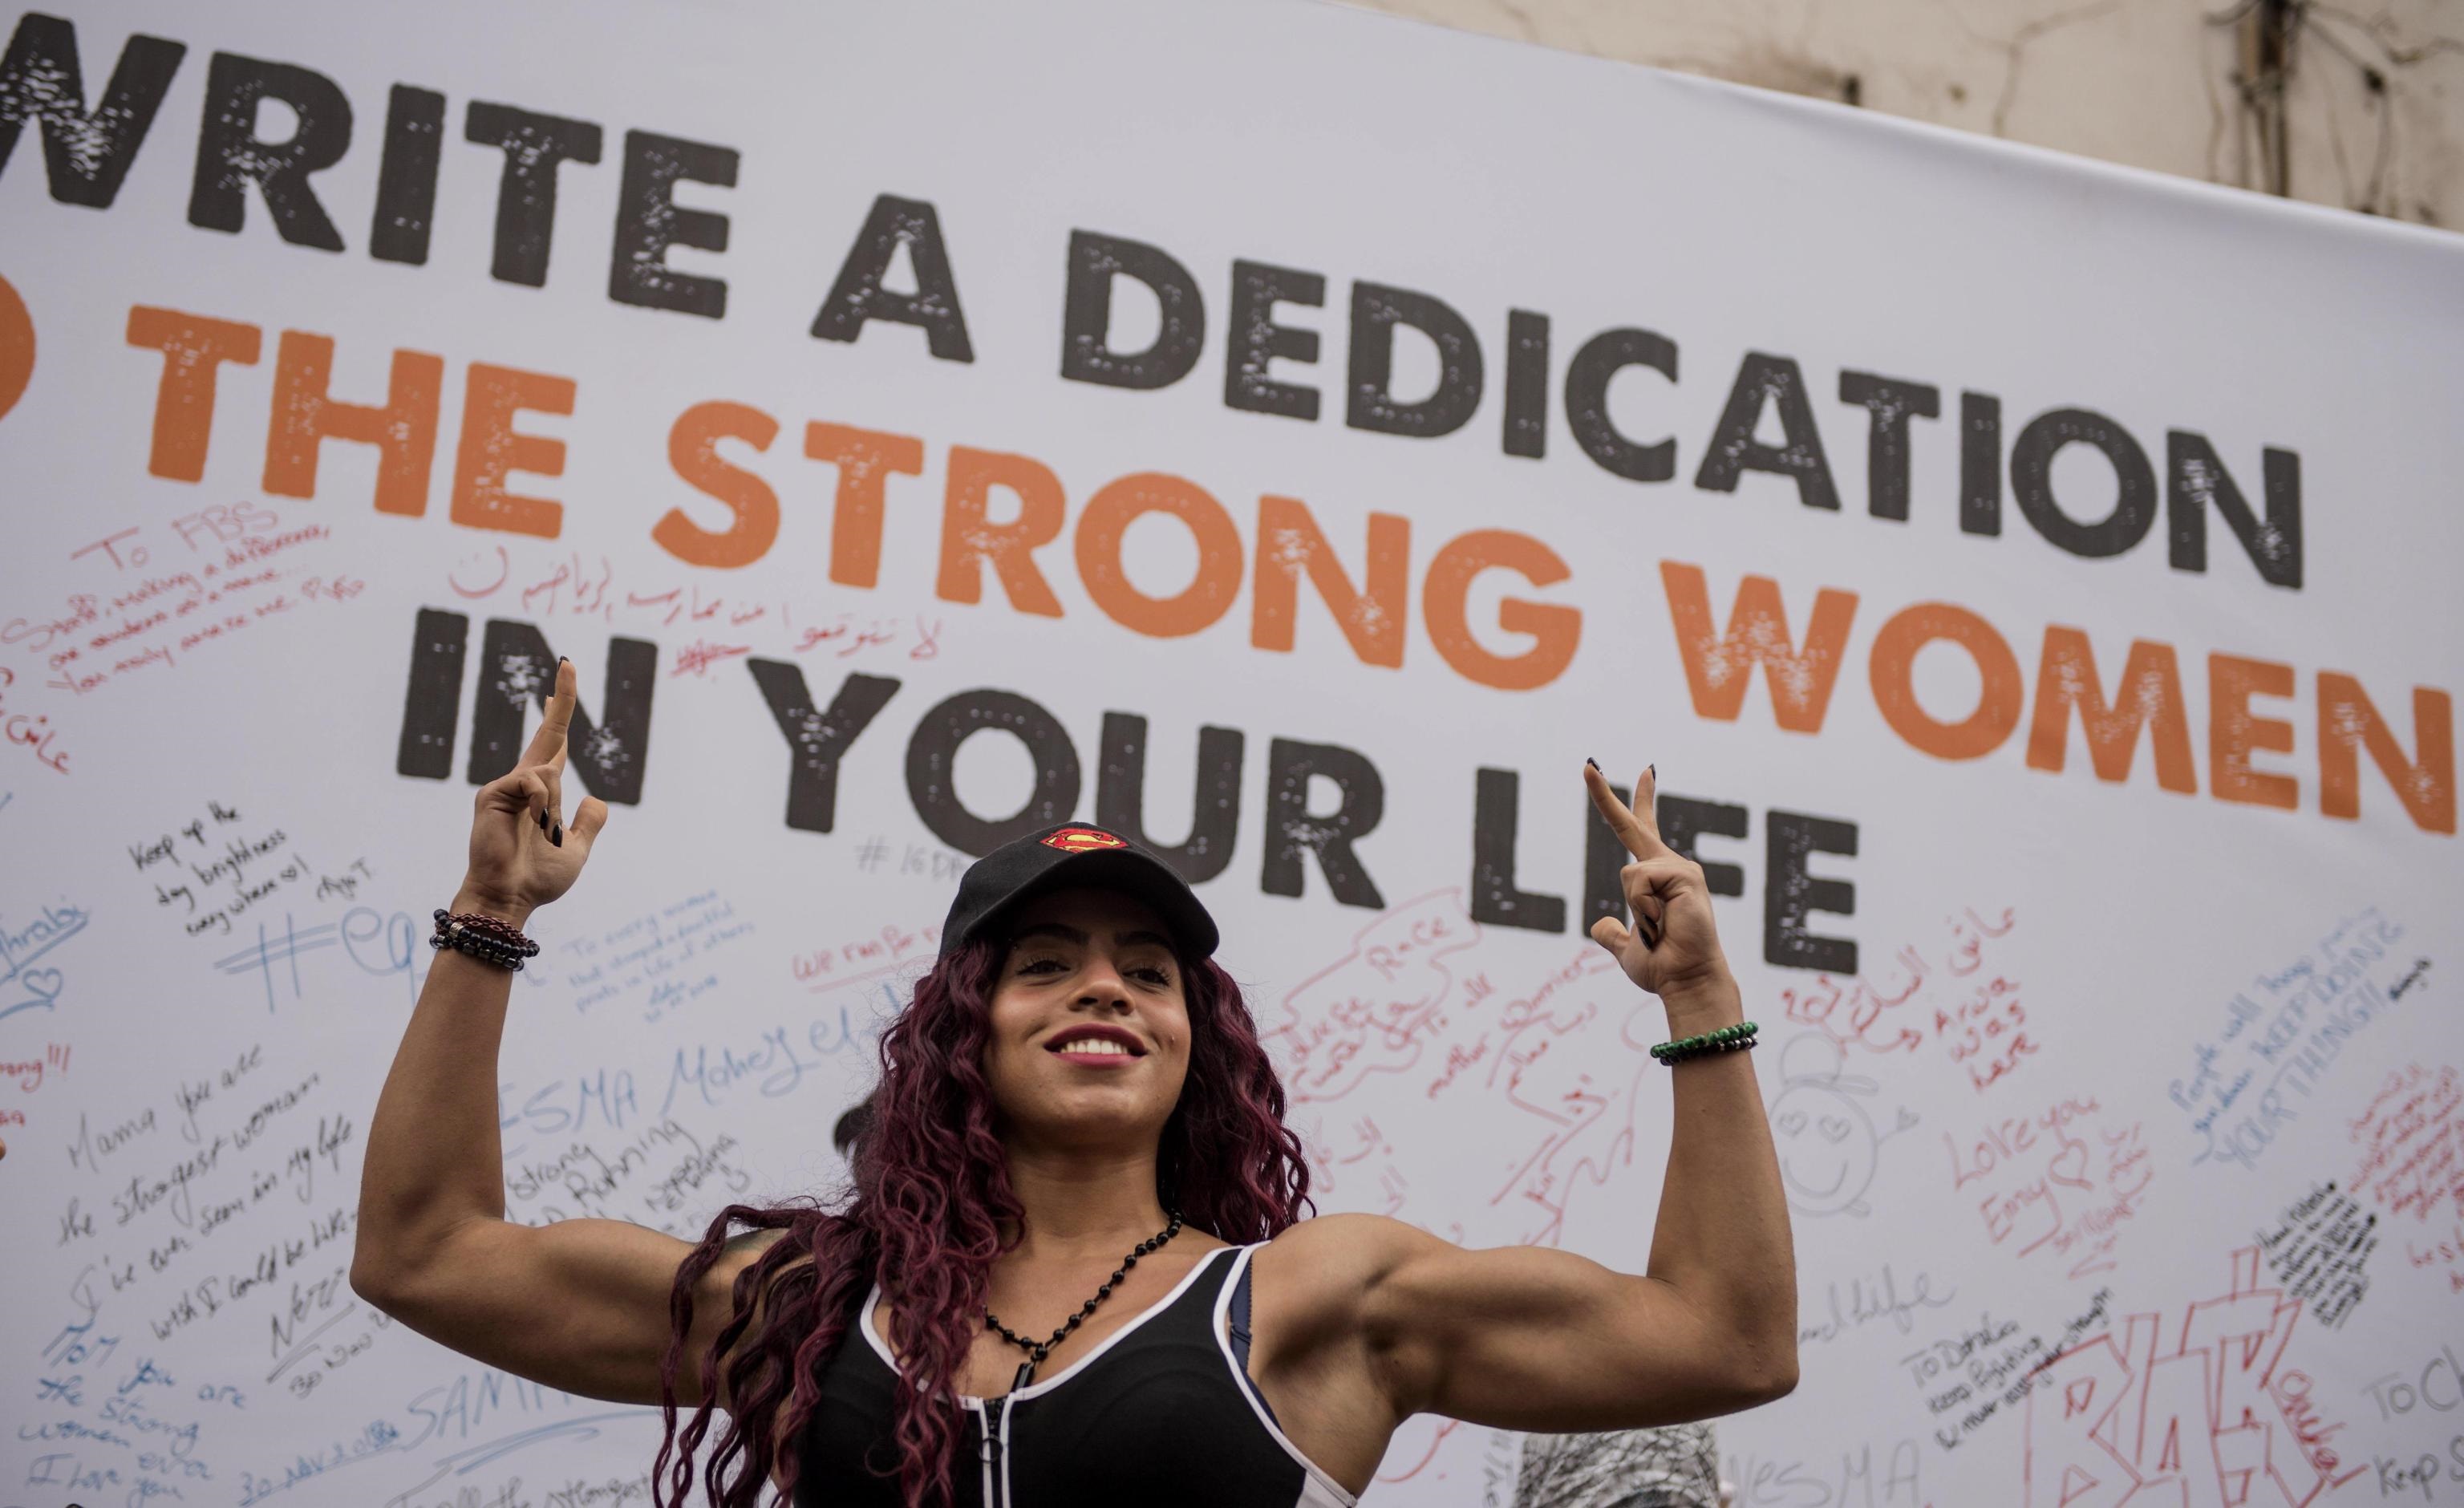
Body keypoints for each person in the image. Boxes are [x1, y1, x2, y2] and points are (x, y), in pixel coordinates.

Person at [352, 661, 1797, 1507]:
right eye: (1045, 963)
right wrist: (493, 919)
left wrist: (1701, 1005)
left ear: (1196, 1047)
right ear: (962, 1034)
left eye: (1149, 972)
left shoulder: (1311, 1308)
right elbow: (427, 1256)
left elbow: (1723, 1342)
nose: (1105, 986)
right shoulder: (803, 1307)